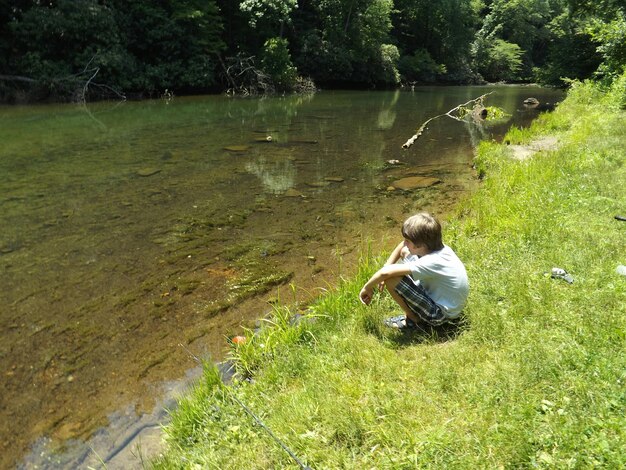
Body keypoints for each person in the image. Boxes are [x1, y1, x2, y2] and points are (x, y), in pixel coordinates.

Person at [359, 212, 468, 329]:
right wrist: (388, 264)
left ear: (420, 245)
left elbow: (385, 273)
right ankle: (415, 316)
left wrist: (367, 287)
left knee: (390, 279)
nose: (404, 242)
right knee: (405, 252)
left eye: (408, 241)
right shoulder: (440, 249)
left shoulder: (431, 262)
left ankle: (413, 319)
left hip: (441, 315)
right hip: (448, 303)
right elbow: (402, 246)